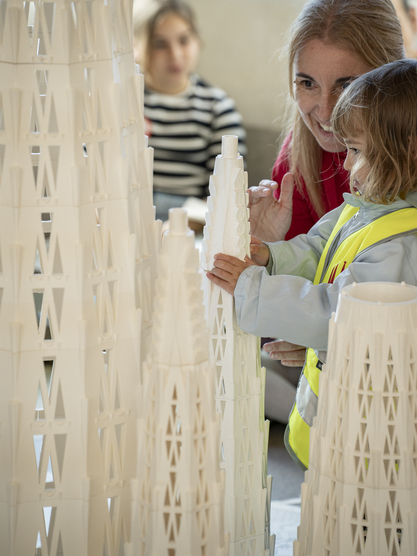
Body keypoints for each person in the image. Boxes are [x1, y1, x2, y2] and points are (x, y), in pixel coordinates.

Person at [207, 59, 417, 469]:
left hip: (370, 438)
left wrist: (254, 287)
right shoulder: (368, 207)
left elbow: (338, 315)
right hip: (335, 422)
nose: (347, 164)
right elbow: (321, 251)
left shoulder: (402, 245)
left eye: (357, 151)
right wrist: (271, 258)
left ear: (407, 152)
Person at [247, 0, 406, 423]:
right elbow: (290, 307)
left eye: (346, 84)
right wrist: (267, 244)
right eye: (307, 83)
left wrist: (331, 338)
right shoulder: (296, 161)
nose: (323, 110)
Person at [132, 0, 246, 223]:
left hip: (188, 223)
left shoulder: (219, 108)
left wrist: (177, 228)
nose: (175, 54)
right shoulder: (122, 103)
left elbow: (227, 197)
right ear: (136, 47)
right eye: (159, 44)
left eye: (184, 40)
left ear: (197, 41)